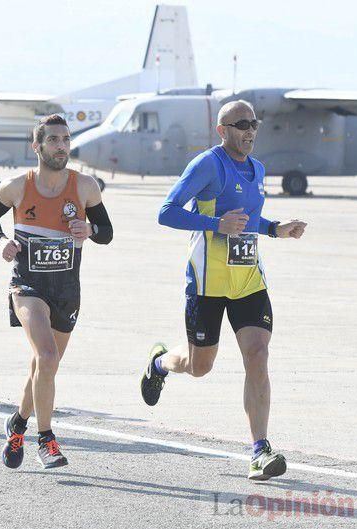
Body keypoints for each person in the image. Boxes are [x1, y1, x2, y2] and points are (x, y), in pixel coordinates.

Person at [139, 100, 307, 481]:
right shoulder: (207, 165)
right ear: (223, 130)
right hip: (207, 283)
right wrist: (215, 223)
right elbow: (166, 211)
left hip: (248, 279)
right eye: (241, 124)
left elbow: (248, 220)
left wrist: (275, 228)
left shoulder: (258, 169)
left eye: (254, 124)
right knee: (200, 367)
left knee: (258, 354)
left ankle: (259, 450)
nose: (250, 131)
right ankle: (159, 363)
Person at [0, 114, 113, 469]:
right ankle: (46, 440)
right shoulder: (17, 186)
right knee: (48, 357)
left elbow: (107, 231)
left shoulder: (85, 186)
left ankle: (18, 423)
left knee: (44, 365)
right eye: (53, 140)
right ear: (36, 146)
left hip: (67, 289)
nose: (61, 146)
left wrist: (89, 230)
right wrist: (2, 240)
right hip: (28, 286)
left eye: (66, 140)